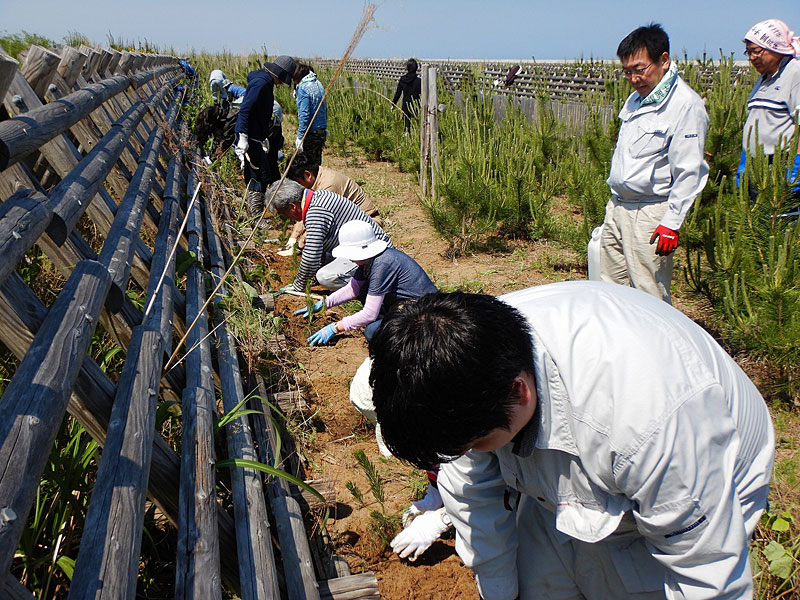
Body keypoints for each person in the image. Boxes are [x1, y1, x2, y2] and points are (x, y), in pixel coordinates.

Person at [368, 282, 775, 600]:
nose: (472, 455)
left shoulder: (649, 420)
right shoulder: (462, 365)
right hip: (571, 478)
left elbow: (707, 572)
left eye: (478, 443)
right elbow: (472, 492)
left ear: (520, 392)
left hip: (693, 489)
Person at [600, 24, 709, 304]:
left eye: (640, 69)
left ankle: (660, 347)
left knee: (649, 294)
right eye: (627, 72)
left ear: (663, 60)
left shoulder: (685, 105)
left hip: (649, 214)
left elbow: (690, 171)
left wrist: (671, 223)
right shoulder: (637, 100)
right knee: (611, 288)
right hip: (618, 207)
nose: (634, 78)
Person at [293, 219, 435, 345]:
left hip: (425, 314)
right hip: (405, 305)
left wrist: (336, 327)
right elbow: (352, 289)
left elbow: (369, 314)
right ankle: (387, 319)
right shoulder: (370, 261)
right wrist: (324, 304)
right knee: (364, 290)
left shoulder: (383, 264)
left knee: (372, 332)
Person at [266, 179, 390, 292]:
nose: (287, 218)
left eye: (284, 214)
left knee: (325, 277)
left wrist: (298, 286)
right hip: (363, 248)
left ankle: (369, 287)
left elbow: (311, 257)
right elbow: (318, 248)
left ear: (292, 207)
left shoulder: (316, 210)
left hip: (374, 255)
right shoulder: (317, 197)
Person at [737, 19, 800, 201]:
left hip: (780, 168)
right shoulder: (764, 79)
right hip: (756, 169)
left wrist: (794, 168)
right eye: (748, 53)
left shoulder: (794, 73)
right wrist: (744, 163)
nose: (752, 58)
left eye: (756, 52)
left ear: (775, 47)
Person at [278, 159, 383, 256]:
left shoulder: (328, 186)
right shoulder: (318, 177)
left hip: (369, 226)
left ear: (307, 175)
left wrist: (301, 243)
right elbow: (306, 212)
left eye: (299, 183)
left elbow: (316, 220)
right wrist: (293, 237)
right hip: (349, 224)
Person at [235, 55, 296, 217]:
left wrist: (263, 137)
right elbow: (246, 109)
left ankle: (256, 211)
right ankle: (254, 216)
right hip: (249, 135)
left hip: (256, 136)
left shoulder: (265, 81)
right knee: (258, 176)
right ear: (280, 74)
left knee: (264, 173)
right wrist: (243, 136)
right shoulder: (261, 83)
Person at [293, 63, 328, 165]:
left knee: (308, 164)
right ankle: (319, 180)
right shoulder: (318, 84)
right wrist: (324, 126)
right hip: (321, 130)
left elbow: (305, 114)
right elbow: (324, 108)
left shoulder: (303, 88)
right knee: (317, 162)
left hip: (311, 131)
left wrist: (300, 137)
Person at [392, 58, 422, 132]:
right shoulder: (419, 81)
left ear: (407, 68)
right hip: (416, 106)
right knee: (416, 126)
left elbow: (398, 93)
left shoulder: (403, 79)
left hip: (405, 106)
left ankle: (406, 138)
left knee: (406, 126)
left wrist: (393, 104)